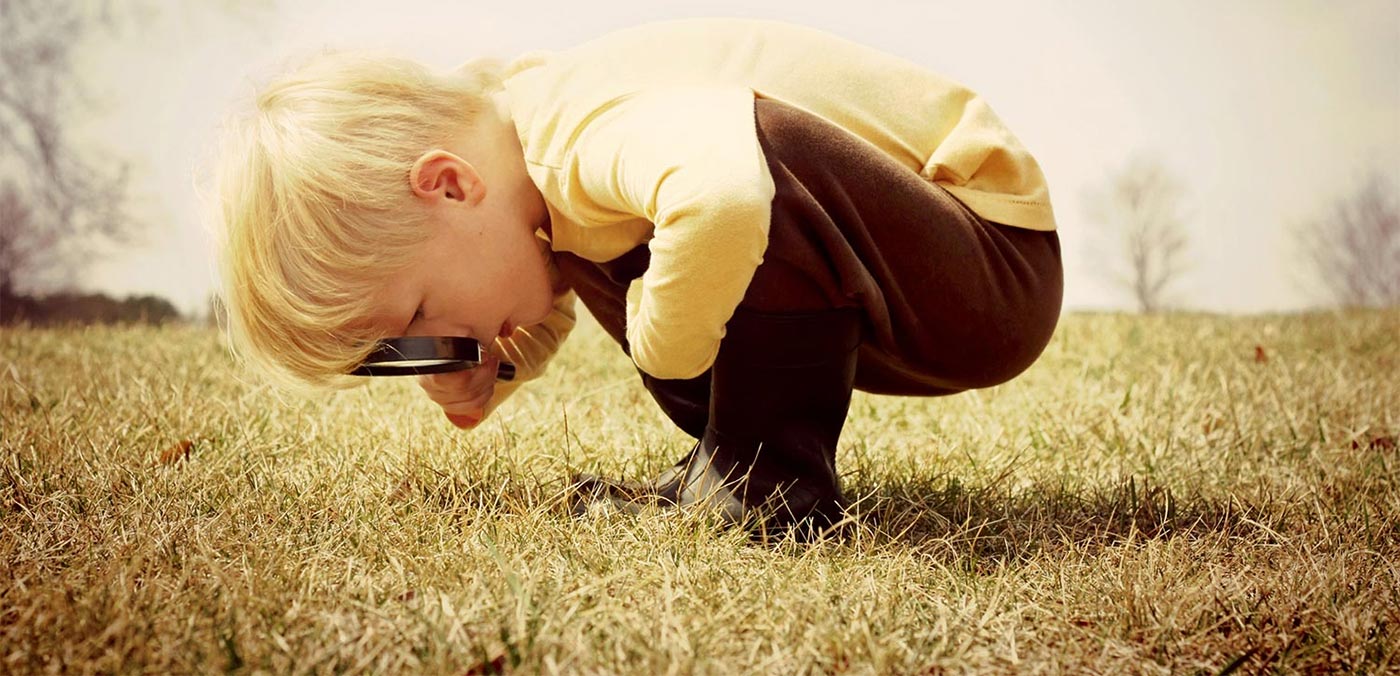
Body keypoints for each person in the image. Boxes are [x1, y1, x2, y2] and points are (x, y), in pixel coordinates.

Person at [213, 17, 1063, 538]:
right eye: (416, 348)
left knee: (731, 183)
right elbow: (550, 270)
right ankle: (736, 460)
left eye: (424, 314)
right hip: (918, 269)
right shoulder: (529, 154)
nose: (440, 342)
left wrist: (666, 349)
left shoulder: (575, 132)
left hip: (987, 259)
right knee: (632, 243)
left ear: (447, 184)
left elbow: (729, 198)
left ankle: (764, 486)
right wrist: (487, 367)